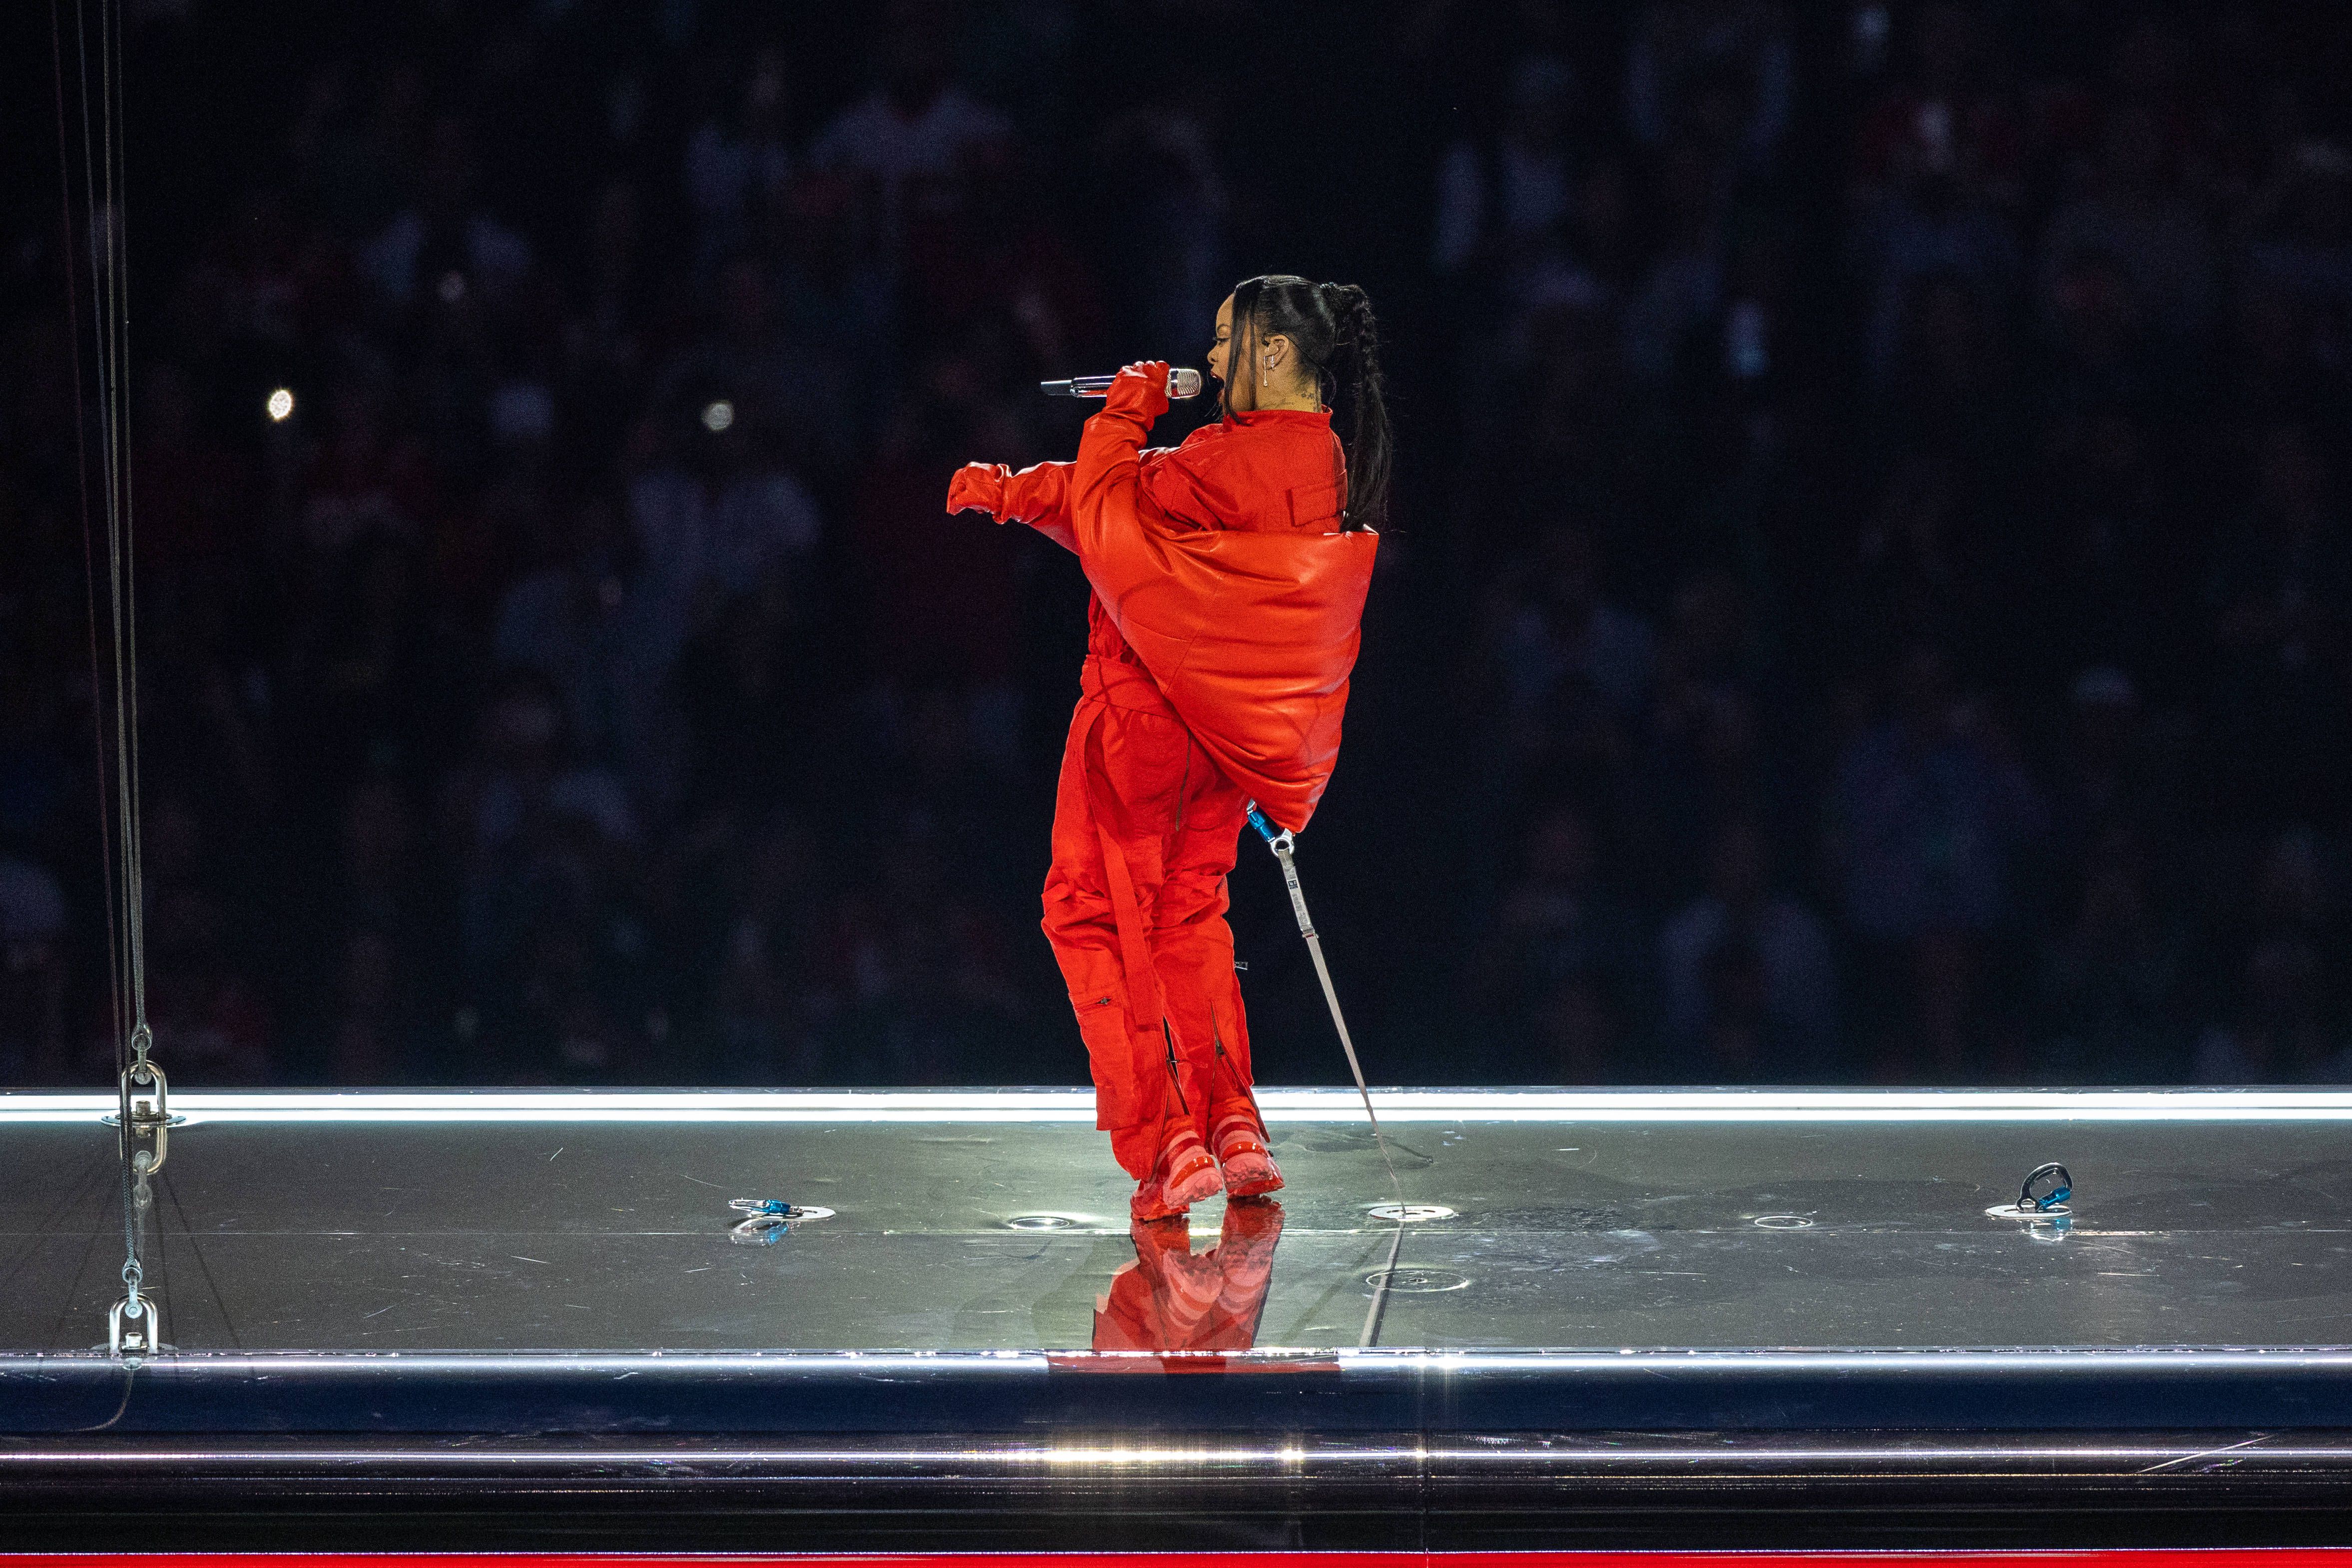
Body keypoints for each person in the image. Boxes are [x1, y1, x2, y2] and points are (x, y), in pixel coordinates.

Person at [946, 275, 1391, 1220]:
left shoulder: (1225, 458)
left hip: (1141, 718)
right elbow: (1137, 512)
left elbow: (1112, 518)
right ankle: (1231, 1128)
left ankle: (1162, 1144)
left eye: (1228, 342)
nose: (1212, 360)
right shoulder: (1321, 463)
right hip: (1219, 740)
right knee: (1189, 917)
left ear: (1275, 353)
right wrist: (1017, 495)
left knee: (1090, 916)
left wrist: (1122, 409)